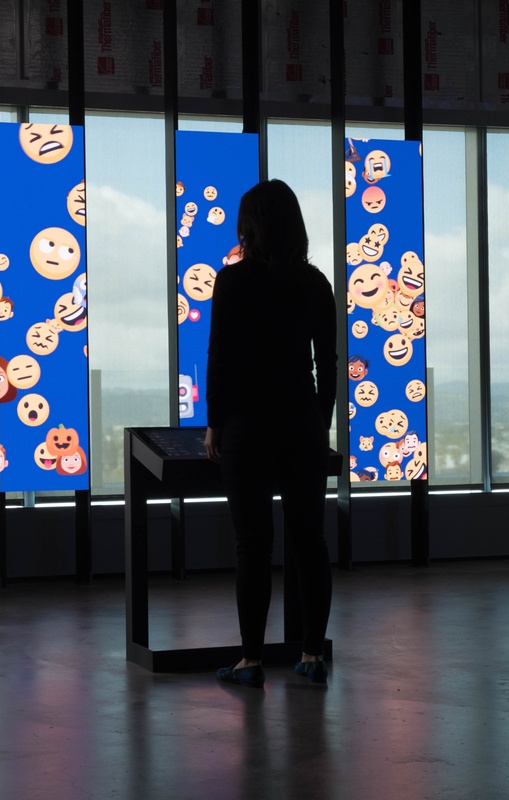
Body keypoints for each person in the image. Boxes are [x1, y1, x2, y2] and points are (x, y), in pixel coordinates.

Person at [203, 179, 337, 688]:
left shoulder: (232, 283)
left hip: (247, 426)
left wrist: (215, 421)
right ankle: (310, 655)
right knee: (310, 541)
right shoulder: (315, 284)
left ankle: (252, 661)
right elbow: (327, 363)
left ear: (250, 226)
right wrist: (318, 423)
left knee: (252, 545)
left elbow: (221, 358)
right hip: (301, 424)